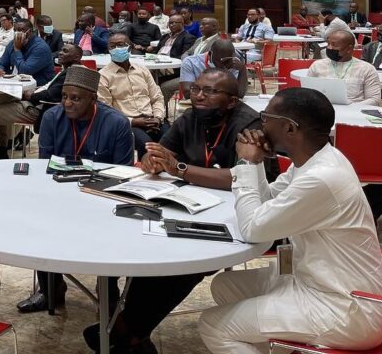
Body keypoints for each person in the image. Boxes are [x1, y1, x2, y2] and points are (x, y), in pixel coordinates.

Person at [198, 88, 382, 354]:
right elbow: (268, 201)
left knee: (213, 325)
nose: (260, 124)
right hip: (311, 279)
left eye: (266, 117)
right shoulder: (315, 160)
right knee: (226, 286)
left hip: (344, 307)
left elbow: (253, 229)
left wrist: (244, 162)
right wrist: (256, 163)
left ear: (289, 128)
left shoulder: (322, 178)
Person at [85, 69, 263, 353]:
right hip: (187, 205)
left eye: (209, 91)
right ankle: (131, 333)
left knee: (184, 263)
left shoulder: (249, 126)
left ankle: (129, 330)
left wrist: (179, 168)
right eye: (196, 89)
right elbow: (160, 153)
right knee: (151, 250)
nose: (199, 96)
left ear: (232, 101)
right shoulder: (191, 117)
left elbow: (245, 177)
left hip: (235, 216)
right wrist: (152, 161)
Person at [18, 65, 133, 313]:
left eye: (75, 98)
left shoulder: (117, 124)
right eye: (64, 96)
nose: (67, 103)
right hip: (59, 195)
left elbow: (123, 175)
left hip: (102, 199)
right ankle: (50, 289)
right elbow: (44, 166)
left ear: (93, 98)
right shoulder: (51, 118)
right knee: (38, 220)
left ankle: (107, 288)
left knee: (114, 228)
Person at [0, 20, 56, 157]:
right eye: (16, 29)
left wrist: (17, 50)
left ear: (30, 31)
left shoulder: (40, 48)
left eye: (22, 30)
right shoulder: (12, 43)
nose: (18, 33)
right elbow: (2, 62)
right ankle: (5, 143)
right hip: (14, 88)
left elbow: (25, 70)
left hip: (34, 93)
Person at [99, 32, 167, 157]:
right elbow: (106, 109)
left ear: (130, 48)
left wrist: (158, 117)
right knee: (148, 147)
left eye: (120, 45)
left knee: (173, 142)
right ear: (108, 50)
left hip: (151, 118)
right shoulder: (103, 75)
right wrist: (133, 121)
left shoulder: (142, 70)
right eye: (112, 46)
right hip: (126, 123)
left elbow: (157, 97)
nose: (116, 49)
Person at [306, 28, 380, 105]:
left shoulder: (366, 69)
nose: (329, 48)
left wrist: (352, 108)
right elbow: (308, 94)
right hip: (322, 109)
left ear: (349, 49)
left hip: (355, 110)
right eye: (328, 44)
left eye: (334, 45)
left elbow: (374, 99)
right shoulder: (317, 65)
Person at [175, 39, 248, 105]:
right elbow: (187, 93)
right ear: (210, 54)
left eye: (227, 61)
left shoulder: (233, 64)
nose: (223, 65)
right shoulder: (191, 62)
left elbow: (239, 94)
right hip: (199, 104)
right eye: (220, 61)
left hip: (222, 106)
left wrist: (242, 69)